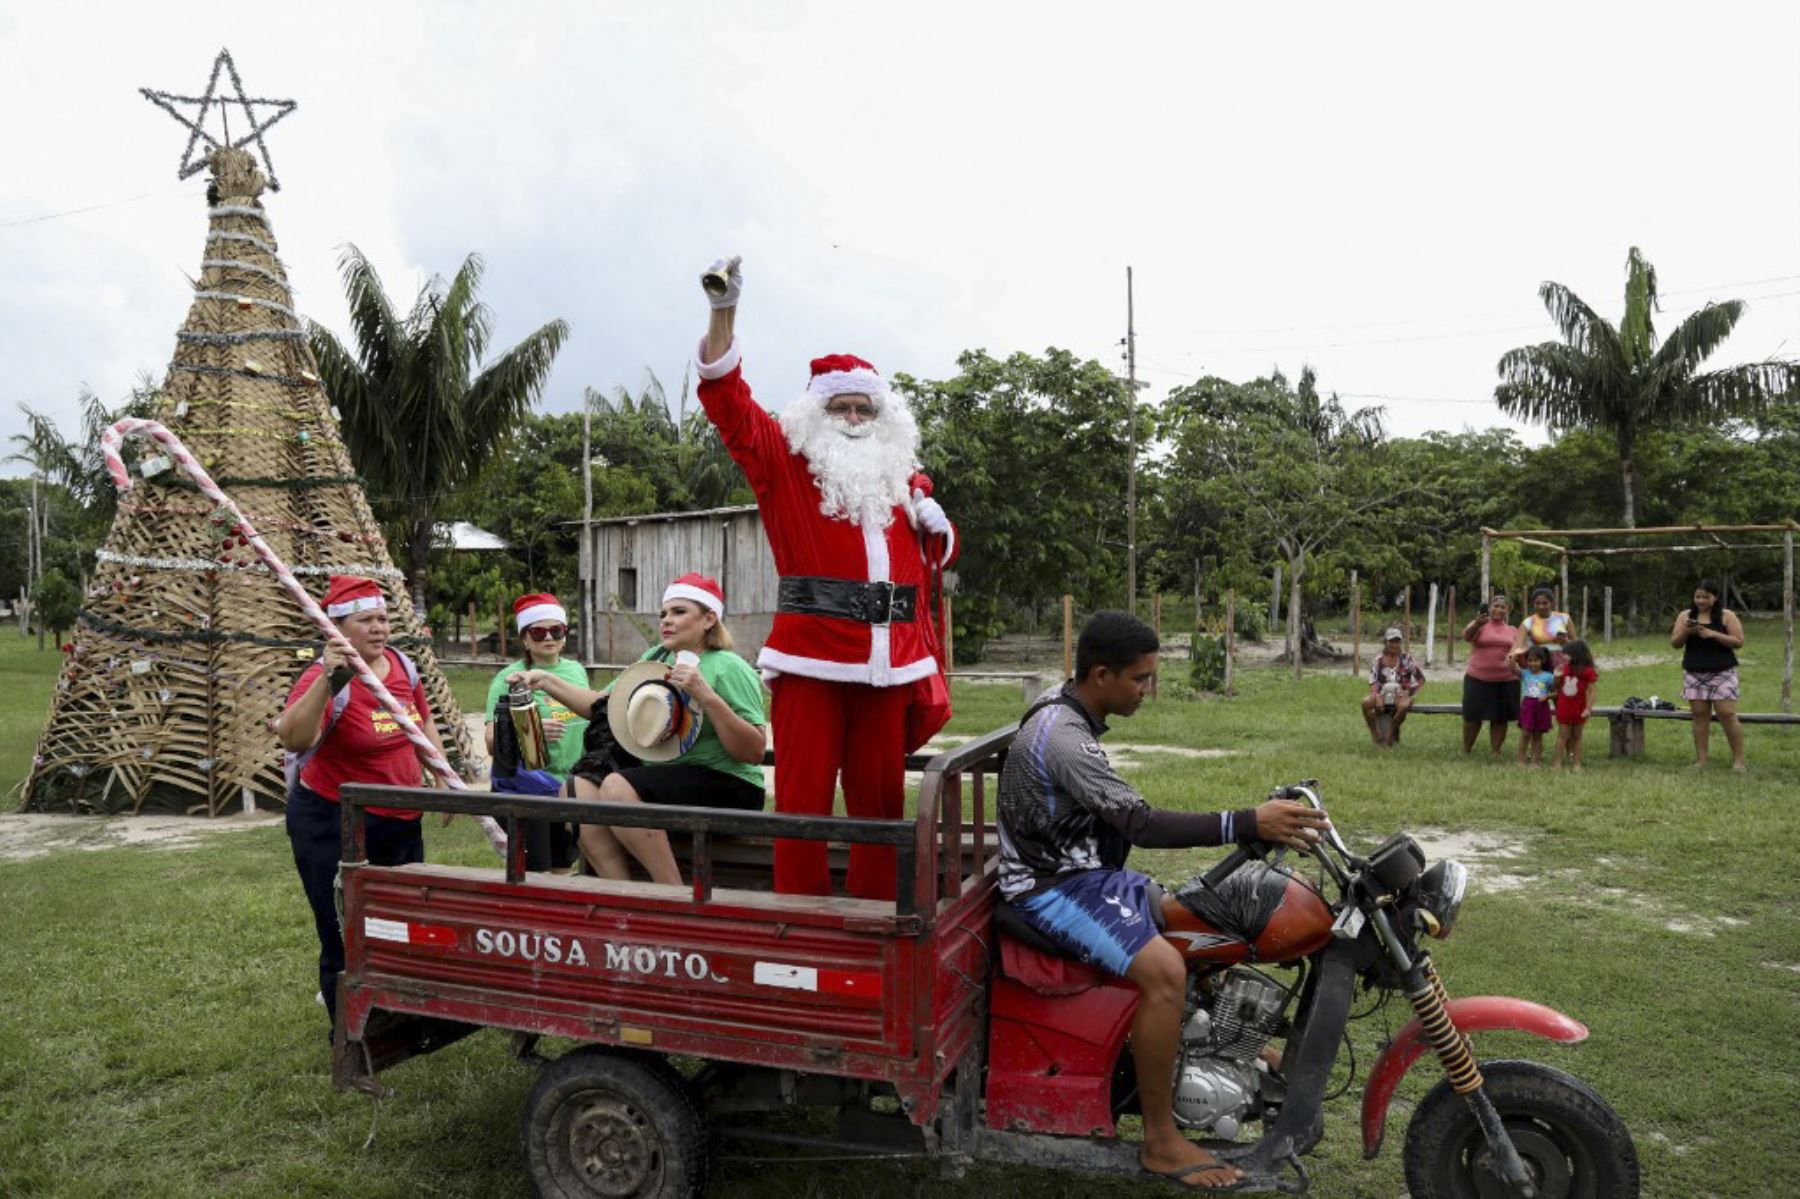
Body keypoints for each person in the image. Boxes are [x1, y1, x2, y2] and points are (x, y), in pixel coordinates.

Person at [996, 610, 1330, 1190]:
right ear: (1101, 675)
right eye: (1140, 679)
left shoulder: (1073, 706)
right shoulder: (1064, 739)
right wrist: (1246, 820)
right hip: (1047, 888)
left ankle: (1229, 1053)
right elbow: (1142, 824)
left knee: (1197, 920)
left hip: (1088, 873)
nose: (1147, 690)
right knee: (1166, 972)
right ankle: (1160, 1140)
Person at [693, 256, 956, 900]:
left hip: (887, 667)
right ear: (815, 412)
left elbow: (930, 572)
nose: (855, 418)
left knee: (879, 808)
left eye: (865, 408)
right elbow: (727, 400)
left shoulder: (901, 481)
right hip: (810, 661)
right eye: (841, 406)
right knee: (802, 807)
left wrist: (937, 526)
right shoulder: (782, 464)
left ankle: (869, 914)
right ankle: (799, 921)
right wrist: (724, 308)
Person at [275, 575, 453, 1032]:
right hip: (333, 821)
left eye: (382, 618)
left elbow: (422, 722)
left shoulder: (402, 665)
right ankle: (350, 1034)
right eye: (365, 620)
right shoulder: (324, 677)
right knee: (344, 928)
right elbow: (294, 737)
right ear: (336, 629)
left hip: (399, 818)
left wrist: (443, 777)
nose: (378, 628)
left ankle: (398, 1013)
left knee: (402, 923)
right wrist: (331, 681)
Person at [513, 574, 767, 885]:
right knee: (574, 791)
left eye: (678, 612)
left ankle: (673, 897)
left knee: (617, 787)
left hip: (730, 785)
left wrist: (706, 695)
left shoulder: (728, 666)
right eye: (663, 613)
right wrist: (545, 681)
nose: (666, 621)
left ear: (709, 618)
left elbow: (753, 751)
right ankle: (622, 894)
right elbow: (603, 708)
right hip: (665, 780)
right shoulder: (655, 659)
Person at [485, 592, 589, 872]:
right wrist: (530, 731)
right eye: (538, 631)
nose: (548, 638)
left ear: (565, 634)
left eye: (556, 630)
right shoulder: (507, 679)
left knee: (563, 867)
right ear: (524, 638)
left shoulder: (577, 672)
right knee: (535, 872)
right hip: (528, 789)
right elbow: (492, 743)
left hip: (569, 787)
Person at [1670, 579, 1747, 772]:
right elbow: (1675, 643)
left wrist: (1713, 634)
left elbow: (1738, 642)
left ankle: (1739, 761)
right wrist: (1687, 632)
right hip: (1694, 672)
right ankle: (1701, 761)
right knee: (1699, 716)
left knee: (1727, 714)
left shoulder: (1726, 616)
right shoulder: (1685, 616)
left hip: (1722, 672)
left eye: (1706, 597)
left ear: (1715, 597)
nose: (1701, 601)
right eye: (1698, 596)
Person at [1459, 593, 1519, 757]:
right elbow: (1466, 636)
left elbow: (1520, 650)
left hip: (1507, 680)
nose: (1499, 609)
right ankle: (1466, 749)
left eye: (1503, 607)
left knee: (1500, 718)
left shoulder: (1513, 630)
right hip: (1477, 678)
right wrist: (1476, 624)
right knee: (1472, 717)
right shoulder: (1480, 624)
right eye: (1496, 606)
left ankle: (1496, 751)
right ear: (1490, 608)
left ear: (1508, 610)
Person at [1361, 627, 1425, 748]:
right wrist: (1377, 696)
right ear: (1385, 642)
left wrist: (1408, 692)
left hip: (1401, 694)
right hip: (1383, 693)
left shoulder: (1407, 659)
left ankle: (1390, 735)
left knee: (1403, 707)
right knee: (1365, 703)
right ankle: (1374, 732)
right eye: (1391, 641)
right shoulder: (1378, 660)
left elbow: (1421, 680)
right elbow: (1373, 681)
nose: (1394, 645)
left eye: (1397, 641)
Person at [1550, 638, 1599, 773]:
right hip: (1564, 708)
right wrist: (1556, 676)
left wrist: (1588, 708)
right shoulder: (1563, 669)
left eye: (1566, 653)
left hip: (1579, 709)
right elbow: (1556, 687)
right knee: (1562, 735)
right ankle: (1557, 763)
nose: (1563, 656)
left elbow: (1592, 691)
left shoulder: (1588, 671)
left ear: (1575, 654)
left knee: (1577, 736)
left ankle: (1577, 764)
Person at [1511, 585, 1573, 670]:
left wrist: (1565, 641)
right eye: (1537, 603)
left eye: (1545, 603)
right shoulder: (1528, 622)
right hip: (1540, 664)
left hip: (1564, 663)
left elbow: (1575, 645)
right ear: (1533, 603)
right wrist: (1511, 657)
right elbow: (1517, 645)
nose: (1541, 606)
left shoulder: (1564, 618)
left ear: (1552, 603)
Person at [1516, 644, 1554, 767]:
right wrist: (1516, 653)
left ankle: (1535, 761)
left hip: (1541, 707)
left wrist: (1547, 696)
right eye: (1530, 660)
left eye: (1536, 660)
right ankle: (1520, 760)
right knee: (1525, 733)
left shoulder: (1548, 676)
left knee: (1538, 735)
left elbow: (1556, 692)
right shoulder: (1525, 673)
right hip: (1528, 706)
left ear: (1542, 661)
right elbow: (1511, 666)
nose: (1532, 663)